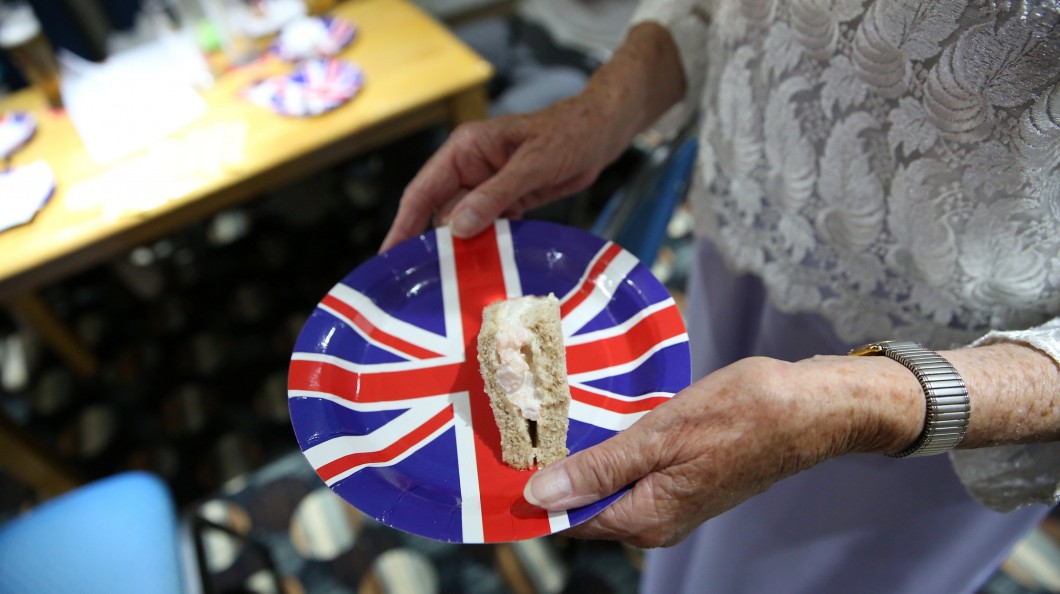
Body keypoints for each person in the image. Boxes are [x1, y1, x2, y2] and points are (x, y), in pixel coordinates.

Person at [380, 1, 1060, 592]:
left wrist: (868, 406)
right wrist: (601, 111)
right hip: (738, 243)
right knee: (688, 516)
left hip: (956, 379)